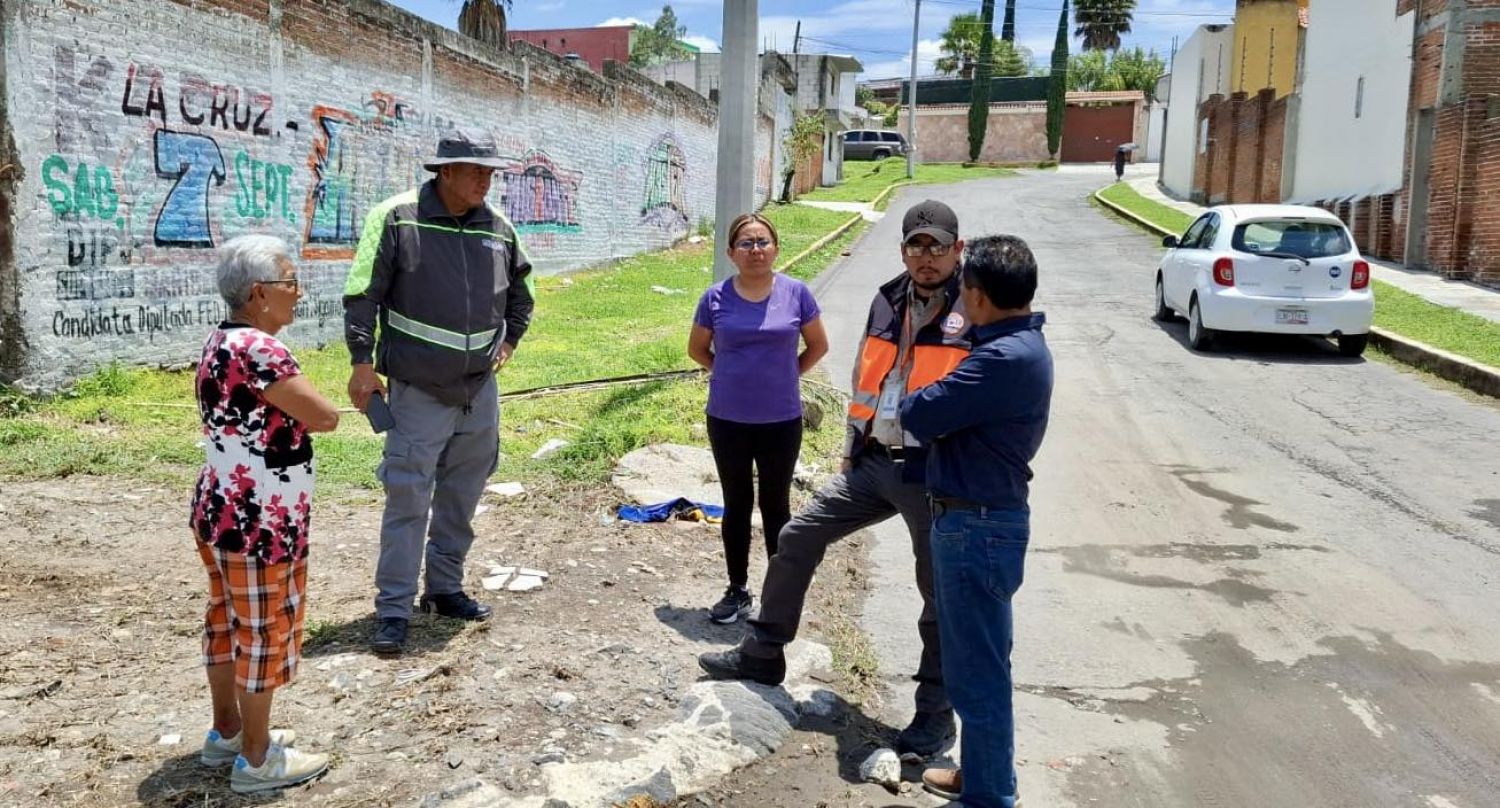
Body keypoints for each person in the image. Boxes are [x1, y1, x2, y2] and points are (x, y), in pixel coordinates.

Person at [698, 200, 973, 758]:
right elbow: (868, 376)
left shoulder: (977, 303)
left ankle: (934, 716)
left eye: (938, 247)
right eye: (916, 246)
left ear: (957, 249)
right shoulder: (888, 298)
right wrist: (852, 445)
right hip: (875, 462)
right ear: (903, 250)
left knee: (938, 594)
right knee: (797, 536)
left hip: (935, 472)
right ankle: (763, 652)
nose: (926, 257)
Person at [344, 129, 535, 656]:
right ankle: (394, 609)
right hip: (418, 390)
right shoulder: (397, 218)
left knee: (462, 494)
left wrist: (510, 341)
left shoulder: (499, 228)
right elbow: (362, 294)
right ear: (444, 171)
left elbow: (524, 294)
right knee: (408, 496)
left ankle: (445, 589)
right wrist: (361, 364)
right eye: (475, 170)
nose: (485, 181)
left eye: (490, 172)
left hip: (479, 392)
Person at [901, 235, 1054, 808]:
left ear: (979, 296)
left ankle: (990, 796)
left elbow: (919, 413)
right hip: (980, 522)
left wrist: (931, 390)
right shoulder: (1013, 347)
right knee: (981, 662)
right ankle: (985, 774)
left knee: (977, 670)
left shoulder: (1002, 358)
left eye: (964, 289)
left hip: (976, 526)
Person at [190, 235, 340, 793]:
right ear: (259, 293)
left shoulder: (221, 340)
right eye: (290, 283)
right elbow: (323, 416)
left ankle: (228, 730)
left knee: (225, 621)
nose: (298, 294)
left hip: (220, 507)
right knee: (262, 631)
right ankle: (256, 760)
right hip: (261, 521)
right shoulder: (262, 349)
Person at [688, 213, 829, 623]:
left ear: (776, 248)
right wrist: (728, 373)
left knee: (775, 504)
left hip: (780, 419)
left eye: (762, 242)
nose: (755, 250)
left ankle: (777, 594)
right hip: (727, 418)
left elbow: (818, 345)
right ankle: (737, 589)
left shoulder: (796, 293)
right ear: (731, 253)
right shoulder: (714, 298)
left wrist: (786, 374)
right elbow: (697, 349)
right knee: (736, 503)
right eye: (746, 243)